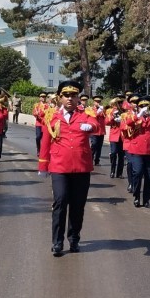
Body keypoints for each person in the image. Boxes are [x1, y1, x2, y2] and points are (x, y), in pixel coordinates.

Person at [38, 80, 96, 256]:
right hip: (59, 166)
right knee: (60, 201)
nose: (70, 98)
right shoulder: (51, 116)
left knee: (78, 205)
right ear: (60, 97)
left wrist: (91, 126)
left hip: (81, 166)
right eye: (66, 95)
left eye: (73, 95)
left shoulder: (86, 114)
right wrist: (43, 164)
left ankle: (74, 238)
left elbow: (97, 125)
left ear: (78, 98)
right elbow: (46, 142)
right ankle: (57, 242)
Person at [122, 94, 150, 208]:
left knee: (149, 176)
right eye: (143, 106)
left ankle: (147, 199)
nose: (145, 107)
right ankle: (136, 196)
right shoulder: (134, 116)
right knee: (137, 173)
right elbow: (128, 124)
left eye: (147, 105)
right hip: (137, 149)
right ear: (139, 107)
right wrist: (139, 115)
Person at [105, 95, 125, 179]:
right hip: (114, 135)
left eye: (121, 102)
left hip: (123, 136)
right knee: (113, 153)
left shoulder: (124, 111)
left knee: (121, 155)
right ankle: (112, 171)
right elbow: (106, 122)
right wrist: (113, 117)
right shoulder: (111, 111)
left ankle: (119, 173)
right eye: (119, 103)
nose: (120, 104)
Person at [89, 94, 106, 166]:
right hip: (94, 131)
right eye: (96, 101)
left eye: (99, 101)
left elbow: (106, 117)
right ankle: (90, 159)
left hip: (101, 131)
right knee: (94, 145)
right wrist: (99, 110)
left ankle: (97, 161)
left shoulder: (102, 109)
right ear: (94, 102)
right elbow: (94, 115)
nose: (98, 103)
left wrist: (103, 110)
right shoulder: (90, 109)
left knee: (99, 147)